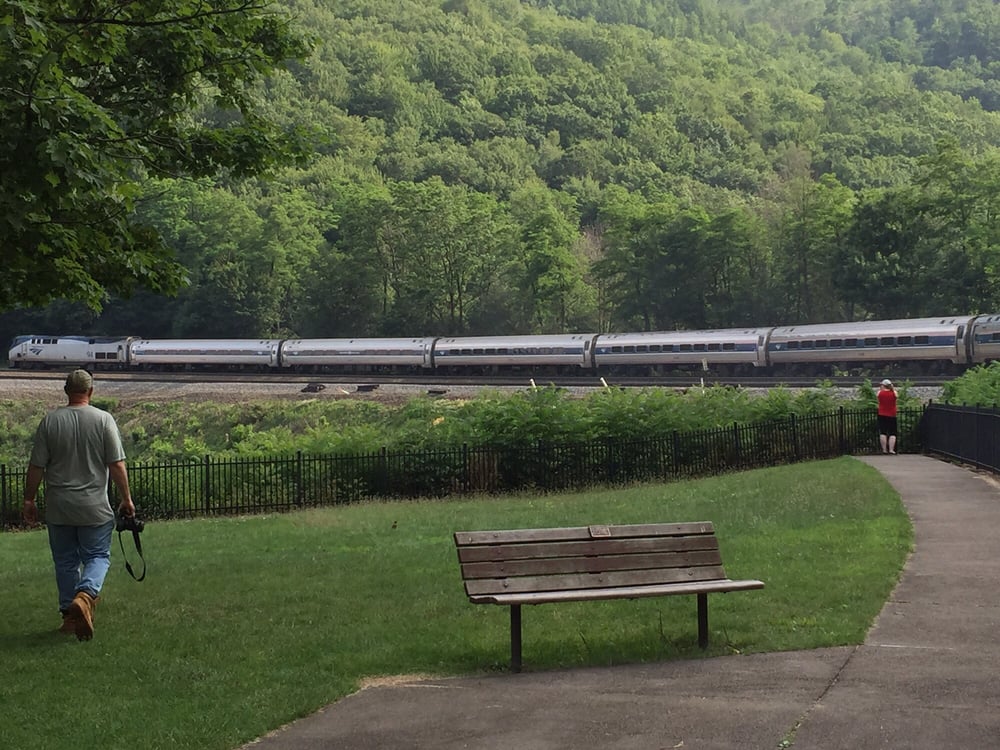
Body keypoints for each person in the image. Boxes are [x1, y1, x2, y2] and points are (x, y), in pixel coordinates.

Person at [22, 369, 135, 641]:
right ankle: (85, 596)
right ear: (91, 391)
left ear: (65, 391)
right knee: (97, 556)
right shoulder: (103, 420)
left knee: (65, 561)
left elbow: (37, 465)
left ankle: (70, 618)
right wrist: (126, 498)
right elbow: (116, 465)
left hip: (59, 506)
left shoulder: (50, 422)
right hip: (94, 507)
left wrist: (29, 499)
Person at [877, 378, 898, 455]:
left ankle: (884, 450)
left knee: (883, 432)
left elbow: (878, 397)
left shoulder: (879, 393)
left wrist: (882, 389)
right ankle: (891, 450)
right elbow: (896, 396)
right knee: (893, 433)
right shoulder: (894, 393)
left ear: (883, 385)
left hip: (882, 414)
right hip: (892, 414)